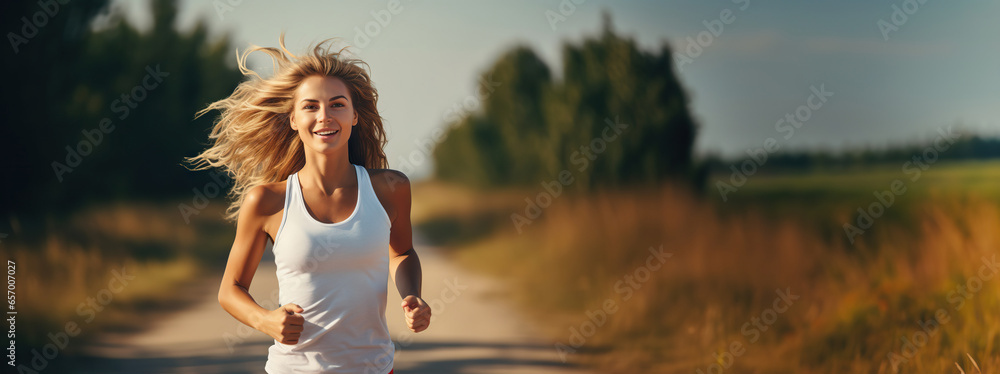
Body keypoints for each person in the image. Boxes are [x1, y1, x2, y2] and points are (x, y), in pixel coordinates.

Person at [187, 35, 430, 373]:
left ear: (355, 117)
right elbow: (230, 290)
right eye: (311, 106)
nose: (324, 116)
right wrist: (266, 320)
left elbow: (401, 252)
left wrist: (412, 296)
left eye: (337, 104)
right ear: (293, 119)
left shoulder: (391, 188)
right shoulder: (267, 201)